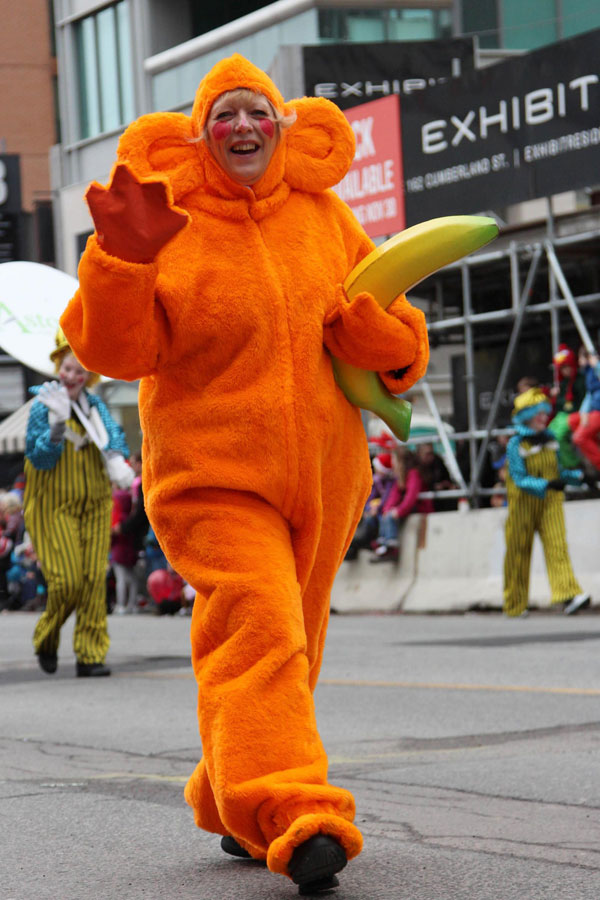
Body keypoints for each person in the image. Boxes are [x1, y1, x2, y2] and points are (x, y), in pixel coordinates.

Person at [60, 54, 429, 893]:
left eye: (256, 111)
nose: (243, 126)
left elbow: (398, 334)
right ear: (199, 135)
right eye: (223, 114)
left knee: (284, 654)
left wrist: (389, 342)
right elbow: (116, 352)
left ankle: (225, 791)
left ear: (283, 124)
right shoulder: (172, 220)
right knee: (262, 628)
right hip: (212, 480)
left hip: (330, 479)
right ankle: (293, 811)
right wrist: (121, 259)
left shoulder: (327, 217)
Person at [23, 329, 130, 677]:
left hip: (96, 502)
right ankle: (47, 636)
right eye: (67, 369)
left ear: (89, 376)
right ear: (58, 366)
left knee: (94, 580)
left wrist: (117, 458)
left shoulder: (96, 406)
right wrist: (55, 427)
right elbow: (38, 458)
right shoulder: (44, 403)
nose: (71, 377)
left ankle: (90, 654)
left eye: (79, 372)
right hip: (55, 504)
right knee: (67, 581)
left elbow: (114, 435)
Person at [503, 387, 590, 618]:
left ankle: (568, 596)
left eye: (545, 413)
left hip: (550, 503)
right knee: (518, 553)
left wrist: (580, 477)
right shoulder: (515, 445)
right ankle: (515, 604)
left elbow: (559, 470)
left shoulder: (551, 440)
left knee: (557, 547)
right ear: (527, 416)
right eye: (538, 413)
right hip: (523, 505)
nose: (543, 418)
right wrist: (546, 485)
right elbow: (519, 479)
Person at [371, 447, 432, 561]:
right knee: (386, 514)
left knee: (390, 516)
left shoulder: (413, 474)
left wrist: (398, 511)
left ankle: (390, 546)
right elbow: (394, 495)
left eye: (394, 459)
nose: (392, 462)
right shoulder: (400, 477)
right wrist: (387, 509)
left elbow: (410, 498)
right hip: (407, 507)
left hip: (419, 507)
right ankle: (382, 543)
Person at [547, 345, 586, 469]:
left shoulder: (581, 380)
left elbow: (583, 402)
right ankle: (560, 464)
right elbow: (560, 404)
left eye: (567, 366)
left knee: (559, 434)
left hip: (577, 415)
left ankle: (573, 464)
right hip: (562, 416)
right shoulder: (564, 384)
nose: (565, 370)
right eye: (562, 368)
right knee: (548, 433)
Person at [567, 348, 600, 474]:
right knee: (572, 420)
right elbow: (590, 394)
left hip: (598, 411)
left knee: (579, 437)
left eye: (581, 358)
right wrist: (584, 413)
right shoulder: (589, 372)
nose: (579, 362)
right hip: (594, 411)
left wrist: (597, 365)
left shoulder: (595, 369)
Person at [110, 486, 140, 614]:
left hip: (118, 552)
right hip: (129, 551)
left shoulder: (117, 521)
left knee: (121, 579)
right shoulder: (129, 519)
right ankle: (132, 604)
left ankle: (121, 604)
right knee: (132, 578)